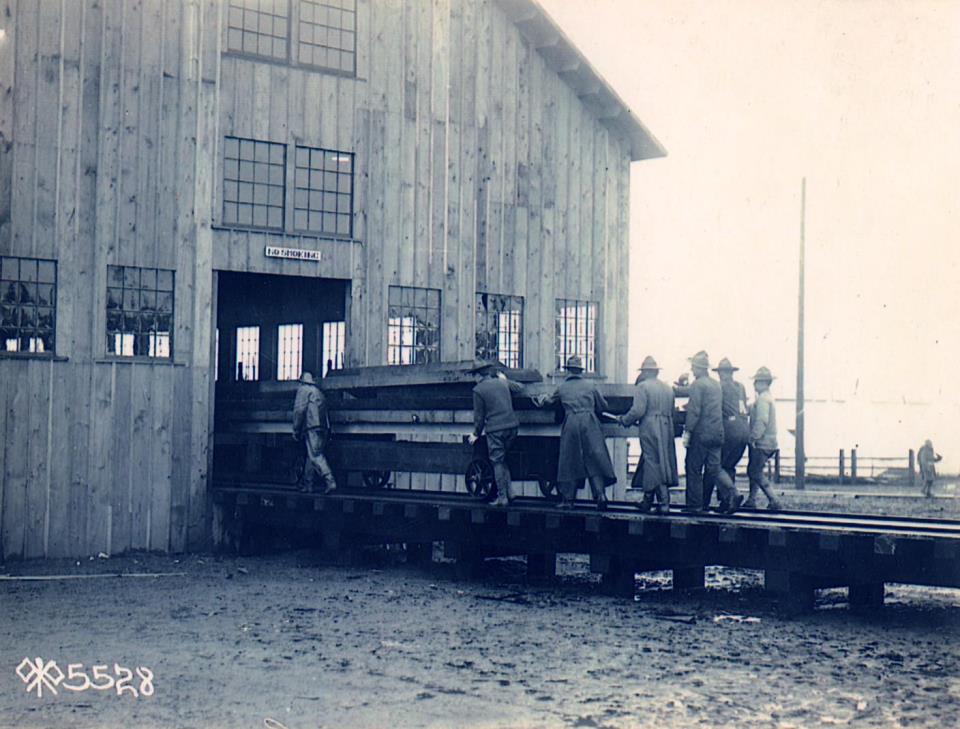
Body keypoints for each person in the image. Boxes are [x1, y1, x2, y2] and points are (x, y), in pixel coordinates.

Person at [535, 355, 617, 509]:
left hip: (571, 422)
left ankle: (568, 500)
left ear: (568, 371)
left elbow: (550, 402)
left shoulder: (562, 387)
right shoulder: (591, 385)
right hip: (590, 422)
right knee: (595, 460)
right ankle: (601, 496)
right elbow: (602, 406)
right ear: (580, 370)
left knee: (569, 461)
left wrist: (542, 399)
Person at [679, 351, 742, 514]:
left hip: (701, 434)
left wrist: (688, 432)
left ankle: (695, 506)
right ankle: (733, 493)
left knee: (693, 468)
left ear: (699, 368)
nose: (692, 370)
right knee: (714, 469)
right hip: (717, 433)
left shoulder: (697, 385)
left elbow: (694, 411)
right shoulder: (716, 384)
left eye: (693, 367)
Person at [619, 355, 678, 514]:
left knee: (652, 461)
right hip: (667, 425)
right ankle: (647, 500)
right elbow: (673, 411)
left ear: (644, 372)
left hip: (650, 426)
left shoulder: (643, 387)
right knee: (661, 460)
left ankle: (664, 503)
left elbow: (638, 410)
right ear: (656, 372)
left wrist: (625, 420)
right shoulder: (668, 388)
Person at [467, 361, 524, 507]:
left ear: (479, 375)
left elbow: (479, 417)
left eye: (474, 375)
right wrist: (505, 380)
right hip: (512, 426)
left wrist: (475, 434)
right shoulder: (502, 382)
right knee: (502, 459)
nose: (474, 378)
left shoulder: (478, 390)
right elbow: (520, 387)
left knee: (497, 461)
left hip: (496, 429)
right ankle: (511, 492)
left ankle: (502, 497)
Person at [703, 358, 750, 503]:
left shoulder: (720, 386)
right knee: (729, 466)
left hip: (729, 429)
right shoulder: (740, 387)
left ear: (722, 373)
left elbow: (710, 405)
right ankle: (726, 502)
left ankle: (716, 498)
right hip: (744, 429)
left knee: (714, 466)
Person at [292, 371, 337, 494]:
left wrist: (296, 429)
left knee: (315, 456)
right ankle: (308, 484)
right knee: (311, 456)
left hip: (312, 427)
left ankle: (330, 481)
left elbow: (299, 410)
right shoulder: (318, 392)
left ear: (301, 382)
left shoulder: (303, 390)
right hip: (323, 427)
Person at [745, 366, 782, 510]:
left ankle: (774, 499)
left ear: (766, 383)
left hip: (762, 442)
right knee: (754, 469)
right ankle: (751, 500)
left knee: (755, 471)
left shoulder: (763, 400)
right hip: (769, 442)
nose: (755, 384)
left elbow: (762, 420)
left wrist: (753, 437)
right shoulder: (766, 398)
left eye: (758, 382)